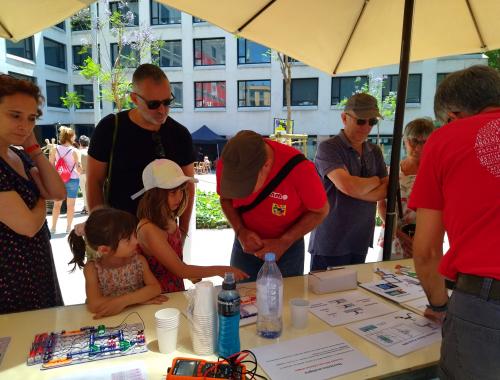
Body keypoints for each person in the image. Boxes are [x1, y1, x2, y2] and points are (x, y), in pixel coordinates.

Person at [409, 65, 500, 379]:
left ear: (454, 114)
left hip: (485, 304)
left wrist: (440, 306)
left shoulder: (447, 139)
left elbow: (425, 252)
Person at [87, 63, 195, 241]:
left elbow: (188, 186)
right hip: (118, 238)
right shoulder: (110, 128)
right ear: (134, 99)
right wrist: (102, 233)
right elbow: (94, 181)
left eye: (167, 102)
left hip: (164, 238)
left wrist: (181, 234)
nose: (162, 110)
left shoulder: (180, 134)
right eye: (153, 104)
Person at [216, 130, 329, 282]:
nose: (241, 194)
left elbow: (320, 211)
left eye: (246, 187)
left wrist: (284, 241)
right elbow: (226, 199)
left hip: (288, 247)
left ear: (266, 166)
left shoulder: (300, 169)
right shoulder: (230, 161)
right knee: (241, 297)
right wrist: (240, 230)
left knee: (285, 299)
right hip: (245, 244)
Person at [0, 74, 66, 314]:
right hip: (9, 280)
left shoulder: (18, 155)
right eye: (15, 115)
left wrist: (34, 148)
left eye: (31, 118)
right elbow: (28, 225)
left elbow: (58, 192)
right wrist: (41, 196)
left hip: (35, 268)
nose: (25, 125)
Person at [136, 159, 248, 291]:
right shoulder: (149, 229)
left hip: (174, 293)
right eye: (173, 192)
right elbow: (180, 270)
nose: (179, 197)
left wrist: (191, 274)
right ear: (155, 195)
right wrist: (220, 270)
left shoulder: (169, 218)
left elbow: (170, 260)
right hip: (158, 297)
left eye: (181, 190)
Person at [308, 93, 388, 270]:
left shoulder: (374, 150)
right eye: (361, 121)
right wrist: (375, 180)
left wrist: (357, 189)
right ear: (344, 118)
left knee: (355, 296)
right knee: (324, 296)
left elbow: (386, 189)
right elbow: (347, 186)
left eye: (372, 122)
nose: (367, 127)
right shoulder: (328, 148)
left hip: (360, 238)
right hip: (331, 241)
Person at [68, 208, 167, 319]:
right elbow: (94, 305)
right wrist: (138, 299)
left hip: (138, 317)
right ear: (105, 249)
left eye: (134, 234)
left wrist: (123, 302)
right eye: (128, 239)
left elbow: (155, 288)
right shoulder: (93, 269)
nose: (136, 241)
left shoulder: (139, 261)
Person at [376, 118, 434, 259]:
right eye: (414, 141)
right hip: (393, 237)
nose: (418, 148)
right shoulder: (390, 171)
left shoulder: (436, 173)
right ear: (405, 141)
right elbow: (381, 206)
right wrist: (399, 234)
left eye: (424, 142)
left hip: (425, 240)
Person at [49, 126, 81, 233]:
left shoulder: (54, 149)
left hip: (59, 180)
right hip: (72, 179)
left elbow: (51, 166)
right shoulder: (75, 151)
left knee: (56, 205)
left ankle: (53, 228)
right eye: (74, 135)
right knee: (70, 205)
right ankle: (68, 227)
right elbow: (79, 168)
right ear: (71, 137)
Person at [78, 135, 90, 214]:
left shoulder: (78, 152)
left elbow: (77, 165)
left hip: (82, 174)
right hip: (91, 173)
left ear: (80, 143)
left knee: (84, 192)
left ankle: (86, 207)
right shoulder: (91, 151)